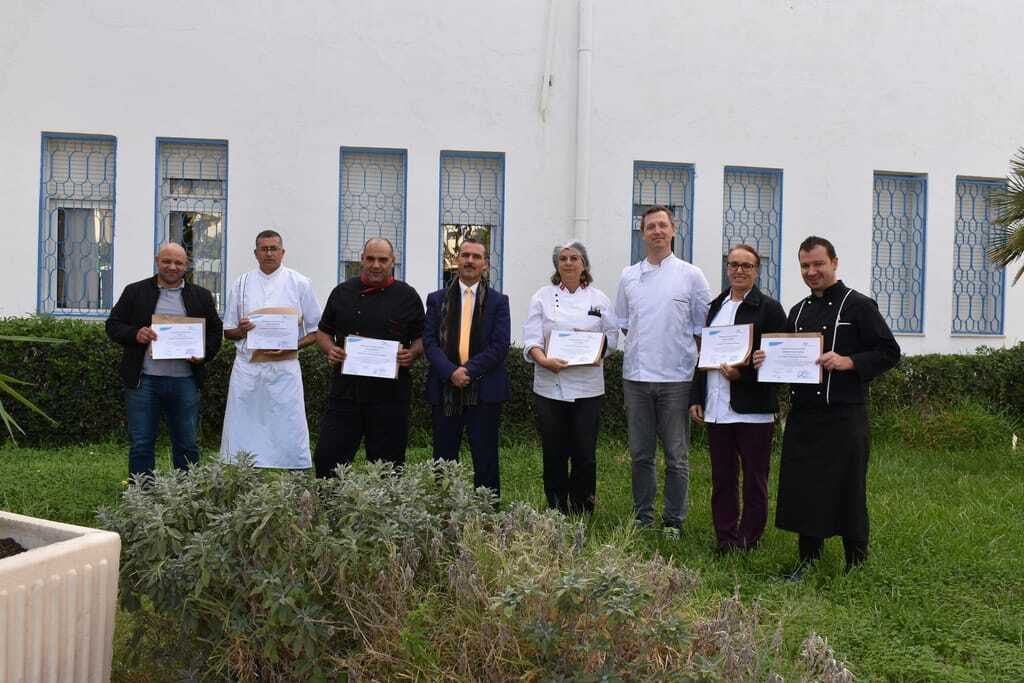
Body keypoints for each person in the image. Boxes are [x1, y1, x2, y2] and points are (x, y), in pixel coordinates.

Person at [756, 236, 900, 578]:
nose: (811, 271)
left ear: (834, 263)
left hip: (845, 415)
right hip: (804, 417)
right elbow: (786, 356)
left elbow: (889, 352)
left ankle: (856, 563)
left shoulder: (859, 305)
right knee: (805, 489)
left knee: (849, 489)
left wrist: (850, 361)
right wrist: (767, 359)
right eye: (805, 265)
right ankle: (808, 559)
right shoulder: (798, 311)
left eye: (818, 264)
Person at [614, 205, 711, 535]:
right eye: (650, 226)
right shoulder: (628, 276)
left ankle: (673, 521)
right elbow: (625, 324)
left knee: (676, 456)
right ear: (642, 233)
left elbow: (702, 329)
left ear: (673, 230)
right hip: (637, 378)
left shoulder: (691, 276)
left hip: (677, 379)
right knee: (640, 454)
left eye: (662, 225)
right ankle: (642, 518)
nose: (656, 231)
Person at [689, 244, 787, 553]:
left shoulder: (769, 309)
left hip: (753, 410)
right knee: (722, 478)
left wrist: (741, 375)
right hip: (717, 407)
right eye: (733, 264)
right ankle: (726, 538)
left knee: (755, 479)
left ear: (757, 271)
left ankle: (749, 540)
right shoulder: (716, 306)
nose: (739, 270)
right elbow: (704, 355)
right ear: (727, 268)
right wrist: (697, 396)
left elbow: (778, 361)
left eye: (747, 265)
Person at [105, 242, 223, 480]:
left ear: (186, 265)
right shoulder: (135, 291)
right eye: (167, 261)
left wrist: (204, 353)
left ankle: (186, 492)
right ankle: (142, 494)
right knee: (141, 443)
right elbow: (113, 325)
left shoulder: (201, 296)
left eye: (178, 263)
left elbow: (215, 331)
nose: (172, 267)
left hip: (185, 380)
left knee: (187, 443)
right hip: (144, 380)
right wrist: (135, 334)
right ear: (157, 261)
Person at [312, 237, 425, 476]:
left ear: (393, 261)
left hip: (390, 396)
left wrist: (412, 353)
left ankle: (385, 501)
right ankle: (330, 500)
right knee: (327, 458)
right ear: (362, 260)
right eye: (370, 259)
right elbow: (323, 332)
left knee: (388, 466)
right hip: (345, 393)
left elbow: (422, 337)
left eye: (382, 260)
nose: (376, 265)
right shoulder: (342, 292)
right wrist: (330, 349)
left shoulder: (407, 296)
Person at [522, 240, 618, 514]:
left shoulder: (600, 299)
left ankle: (582, 508)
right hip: (550, 385)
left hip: (588, 387)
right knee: (554, 451)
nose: (568, 263)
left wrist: (596, 348)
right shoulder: (541, 296)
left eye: (574, 258)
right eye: (563, 259)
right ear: (557, 265)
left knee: (584, 453)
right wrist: (544, 361)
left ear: (584, 264)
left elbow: (612, 338)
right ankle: (555, 507)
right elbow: (531, 339)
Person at [219, 230, 321, 469]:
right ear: (255, 253)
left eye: (273, 249)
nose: (269, 253)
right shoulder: (241, 283)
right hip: (248, 369)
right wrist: (243, 331)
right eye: (263, 249)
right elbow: (228, 332)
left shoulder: (300, 283)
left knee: (289, 425)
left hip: (284, 370)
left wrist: (291, 346)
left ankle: (295, 474)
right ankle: (243, 474)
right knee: (243, 426)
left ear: (282, 252)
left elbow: (316, 331)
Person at [424, 237, 511, 498]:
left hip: (485, 390)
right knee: (444, 455)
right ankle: (444, 507)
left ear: (485, 264)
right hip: (445, 388)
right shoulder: (436, 299)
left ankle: (487, 509)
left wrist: (468, 371)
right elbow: (429, 341)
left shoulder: (498, 302)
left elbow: (500, 345)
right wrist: (450, 372)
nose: (470, 261)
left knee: (485, 455)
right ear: (456, 260)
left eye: (476, 256)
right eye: (465, 255)